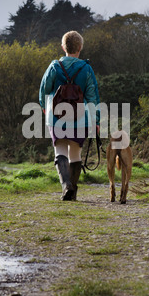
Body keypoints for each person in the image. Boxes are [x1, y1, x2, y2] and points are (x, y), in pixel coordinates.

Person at [39, 30, 100, 201]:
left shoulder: (54, 67)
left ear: (63, 47)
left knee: (60, 150)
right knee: (75, 153)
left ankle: (66, 187)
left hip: (57, 116)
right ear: (80, 47)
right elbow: (92, 97)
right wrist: (95, 120)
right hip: (80, 117)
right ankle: (72, 192)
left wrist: (45, 107)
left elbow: (44, 89)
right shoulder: (86, 69)